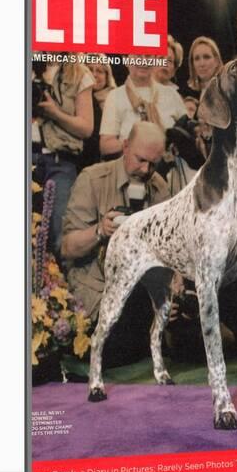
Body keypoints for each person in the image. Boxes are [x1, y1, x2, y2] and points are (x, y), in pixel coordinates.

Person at [61, 122, 170, 367]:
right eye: (141, 160)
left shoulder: (158, 186)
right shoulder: (93, 179)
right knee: (117, 339)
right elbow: (68, 247)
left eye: (153, 164)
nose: (146, 169)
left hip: (140, 287)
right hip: (98, 289)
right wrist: (100, 230)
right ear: (125, 146)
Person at [32, 58, 94, 259]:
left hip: (60, 161)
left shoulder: (79, 72)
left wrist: (54, 113)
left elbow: (86, 128)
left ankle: (61, 287)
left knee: (61, 235)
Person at [99, 54, 186, 157]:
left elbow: (187, 134)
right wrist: (134, 143)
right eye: (138, 56)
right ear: (126, 60)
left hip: (170, 168)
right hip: (131, 169)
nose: (144, 61)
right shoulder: (115, 96)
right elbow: (105, 146)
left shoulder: (171, 94)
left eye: (148, 56)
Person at [78, 56, 117, 169]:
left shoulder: (116, 99)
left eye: (99, 71)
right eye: (89, 69)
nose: (94, 75)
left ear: (107, 76)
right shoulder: (76, 98)